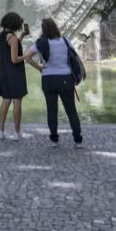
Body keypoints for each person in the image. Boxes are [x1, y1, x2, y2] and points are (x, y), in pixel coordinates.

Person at [23, 18, 83, 148]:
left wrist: (39, 68)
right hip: (65, 78)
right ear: (55, 27)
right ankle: (77, 140)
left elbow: (27, 57)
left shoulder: (41, 43)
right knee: (71, 110)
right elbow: (76, 57)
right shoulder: (65, 40)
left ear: (43, 30)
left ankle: (54, 140)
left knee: (52, 110)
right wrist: (82, 71)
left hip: (48, 79)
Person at [0, 12, 30, 141]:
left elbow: (12, 48)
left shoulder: (3, 36)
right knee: (17, 101)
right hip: (15, 73)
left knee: (5, 101)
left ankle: (0, 131)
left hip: (5, 72)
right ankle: (16, 133)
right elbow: (15, 59)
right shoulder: (13, 38)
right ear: (14, 24)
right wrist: (26, 57)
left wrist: (22, 36)